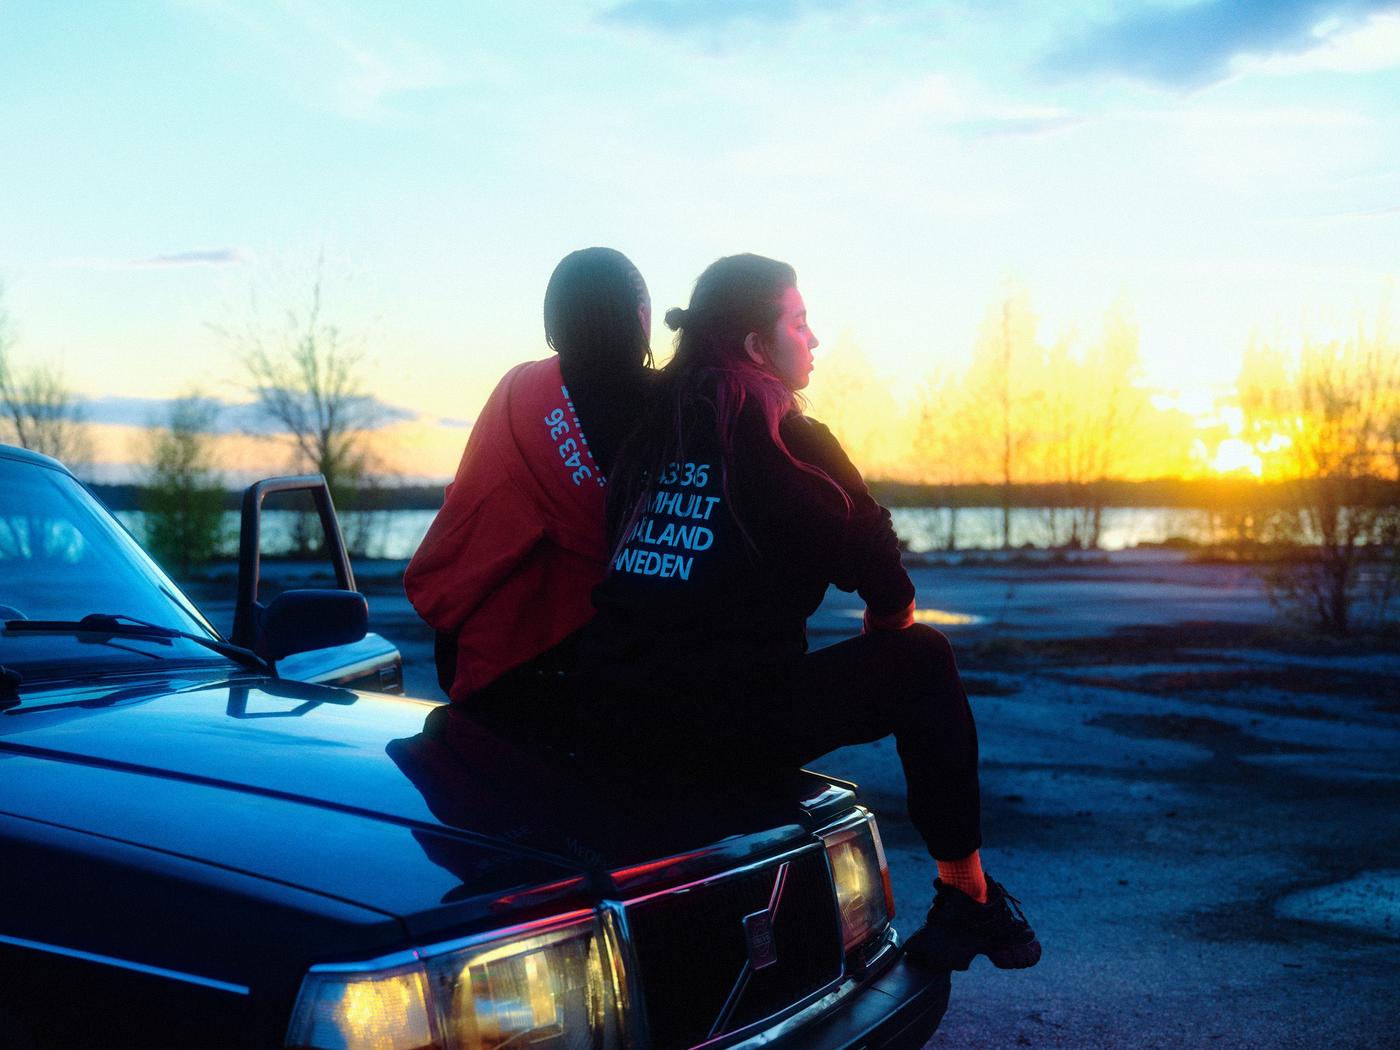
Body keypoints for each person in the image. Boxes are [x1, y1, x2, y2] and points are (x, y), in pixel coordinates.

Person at [571, 253, 1041, 973]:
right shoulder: (789, 441)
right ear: (758, 347)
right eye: (798, 323)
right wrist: (886, 626)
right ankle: (967, 893)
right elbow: (885, 580)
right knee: (925, 659)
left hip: (613, 718)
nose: (814, 338)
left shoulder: (645, 430)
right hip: (719, 729)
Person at [404, 247, 653, 703]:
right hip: (610, 661)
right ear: (639, 315)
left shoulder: (517, 391)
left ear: (553, 317)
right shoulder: (671, 405)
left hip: (486, 655)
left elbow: (468, 505)